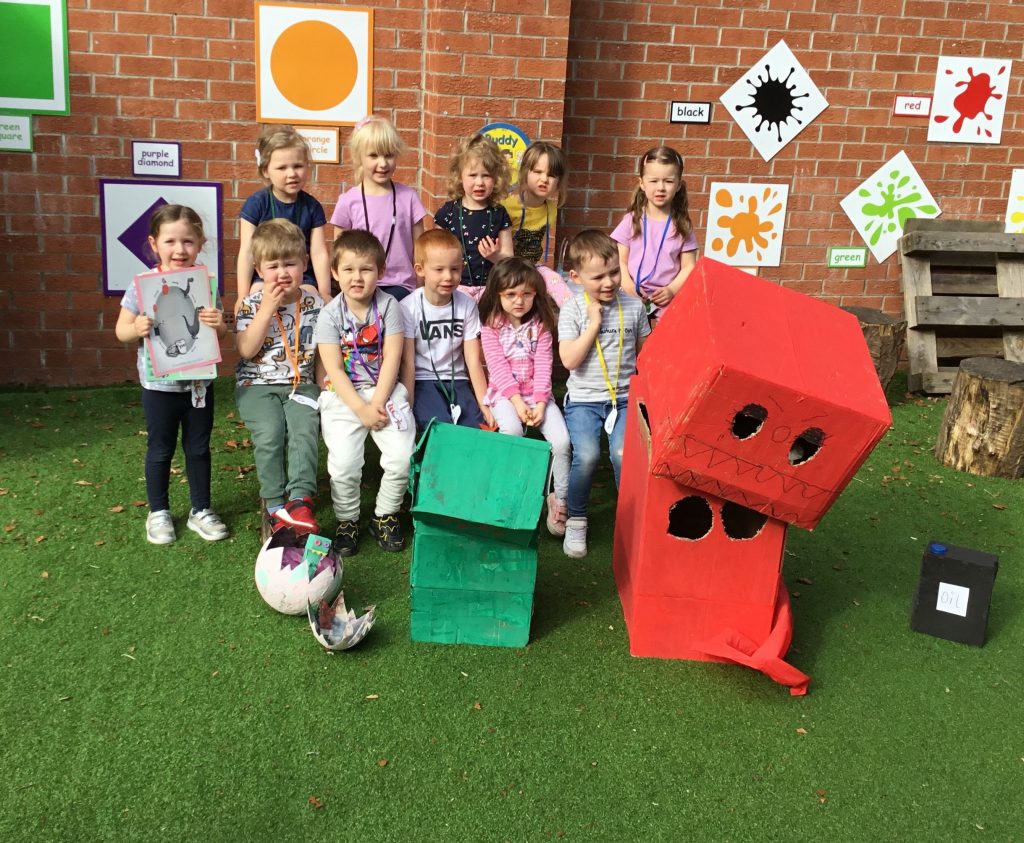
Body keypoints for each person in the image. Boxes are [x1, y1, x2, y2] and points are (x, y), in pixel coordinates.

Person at [114, 204, 229, 545]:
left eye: (188, 241)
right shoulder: (141, 286)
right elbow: (121, 330)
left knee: (198, 447)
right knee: (160, 448)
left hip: (199, 385)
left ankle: (201, 510)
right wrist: (136, 327)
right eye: (171, 241)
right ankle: (159, 511)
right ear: (154, 243)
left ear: (200, 243)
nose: (180, 249)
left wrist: (219, 324)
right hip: (159, 387)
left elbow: (220, 333)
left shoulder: (205, 286)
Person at [315, 230, 415, 556]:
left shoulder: (389, 306)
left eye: (366, 269)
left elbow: (393, 359)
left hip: (384, 392)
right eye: (348, 269)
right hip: (343, 395)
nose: (357, 277)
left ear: (381, 271)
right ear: (335, 273)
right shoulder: (329, 314)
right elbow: (333, 370)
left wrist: (378, 402)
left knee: (402, 457)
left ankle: (385, 514)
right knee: (344, 464)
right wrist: (361, 409)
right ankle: (347, 520)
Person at [558, 230, 651, 558]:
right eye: (598, 277)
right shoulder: (573, 310)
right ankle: (576, 518)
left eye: (614, 272)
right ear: (576, 277)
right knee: (586, 456)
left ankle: (631, 521)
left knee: (623, 455)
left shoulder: (634, 307)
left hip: (623, 400)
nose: (609, 282)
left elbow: (646, 354)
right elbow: (569, 360)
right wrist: (594, 325)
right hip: (583, 401)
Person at [235, 219, 324, 533]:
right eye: (273, 266)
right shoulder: (250, 304)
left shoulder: (317, 305)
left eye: (290, 263)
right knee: (270, 432)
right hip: (256, 384)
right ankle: (273, 503)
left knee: (304, 430)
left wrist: (324, 387)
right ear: (259, 269)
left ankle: (300, 500)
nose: (282, 272)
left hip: (302, 382)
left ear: (305, 263)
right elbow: (246, 350)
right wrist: (266, 309)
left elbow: (324, 352)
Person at [479, 257, 571, 536]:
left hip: (538, 395)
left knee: (562, 442)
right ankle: (510, 493)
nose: (519, 301)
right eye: (511, 294)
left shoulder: (541, 325)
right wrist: (518, 403)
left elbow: (544, 365)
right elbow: (497, 367)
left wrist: (541, 403)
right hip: (506, 396)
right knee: (512, 433)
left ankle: (559, 499)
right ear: (498, 294)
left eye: (526, 294)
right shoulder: (491, 326)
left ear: (535, 295)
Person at [400, 229, 494, 430]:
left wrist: (484, 403)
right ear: (420, 270)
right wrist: (408, 403)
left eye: (455, 269)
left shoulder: (467, 305)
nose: (448, 276)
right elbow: (407, 362)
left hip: (457, 380)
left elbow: (473, 361)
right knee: (439, 427)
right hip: (423, 380)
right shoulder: (408, 307)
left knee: (475, 427)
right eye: (439, 269)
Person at [329, 115, 425, 302]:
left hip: (401, 285)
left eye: (388, 155)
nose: (383, 163)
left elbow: (420, 249)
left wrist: (421, 289)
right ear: (359, 157)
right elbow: (340, 251)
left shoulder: (409, 198)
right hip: (360, 283)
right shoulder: (348, 201)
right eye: (374, 155)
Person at [236, 126, 331, 307]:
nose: (292, 174)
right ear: (265, 171)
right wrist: (242, 294)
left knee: (313, 301)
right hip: (265, 276)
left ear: (307, 166)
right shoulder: (256, 204)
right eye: (282, 168)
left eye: (298, 166)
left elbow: (318, 253)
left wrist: (325, 292)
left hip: (302, 277)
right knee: (256, 299)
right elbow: (247, 252)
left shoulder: (312, 207)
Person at [611, 145, 698, 324]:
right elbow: (619, 260)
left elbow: (689, 266)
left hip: (666, 297)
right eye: (653, 181)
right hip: (631, 292)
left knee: (677, 328)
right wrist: (627, 286)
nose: (660, 187)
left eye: (668, 181)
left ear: (678, 185)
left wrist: (671, 290)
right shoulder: (631, 220)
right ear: (642, 183)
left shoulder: (683, 226)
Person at [432, 134, 514, 301]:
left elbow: (509, 258)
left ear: (496, 178)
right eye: (472, 175)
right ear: (459, 176)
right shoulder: (448, 213)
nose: (480, 182)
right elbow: (435, 254)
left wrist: (495, 256)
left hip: (491, 288)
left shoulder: (499, 213)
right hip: (455, 288)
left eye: (486, 175)